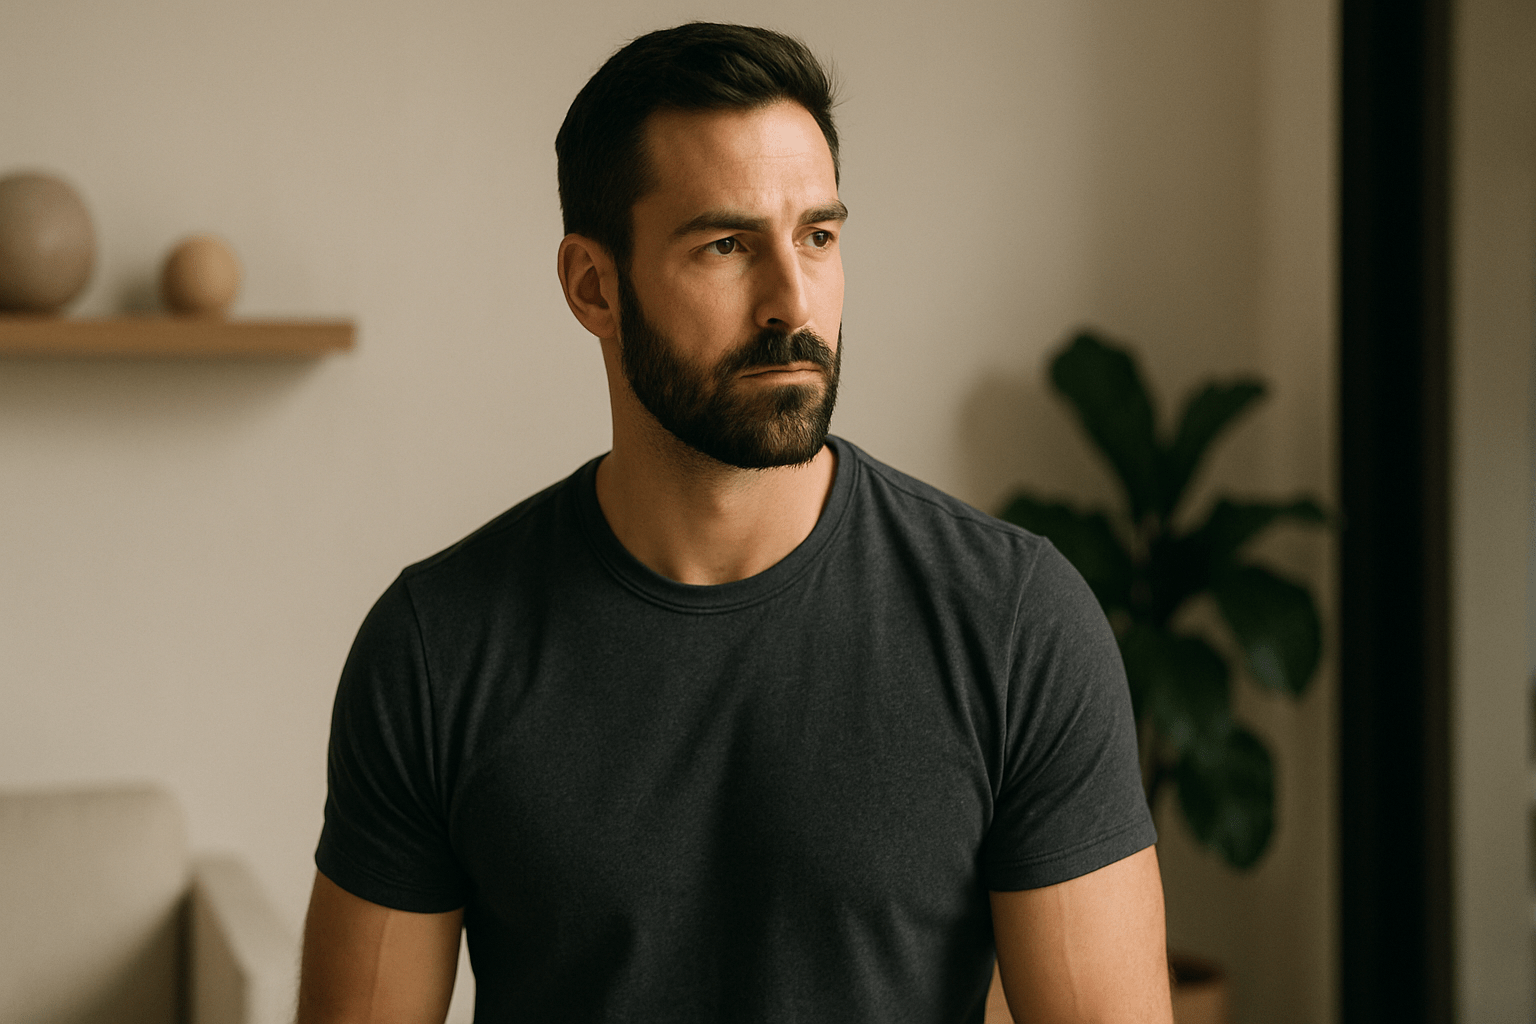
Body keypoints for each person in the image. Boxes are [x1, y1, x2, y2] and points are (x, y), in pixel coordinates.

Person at [297, 22, 1171, 1024]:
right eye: (725, 244)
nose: (791, 299)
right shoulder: (439, 645)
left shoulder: (1016, 624)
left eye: (819, 235)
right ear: (594, 285)